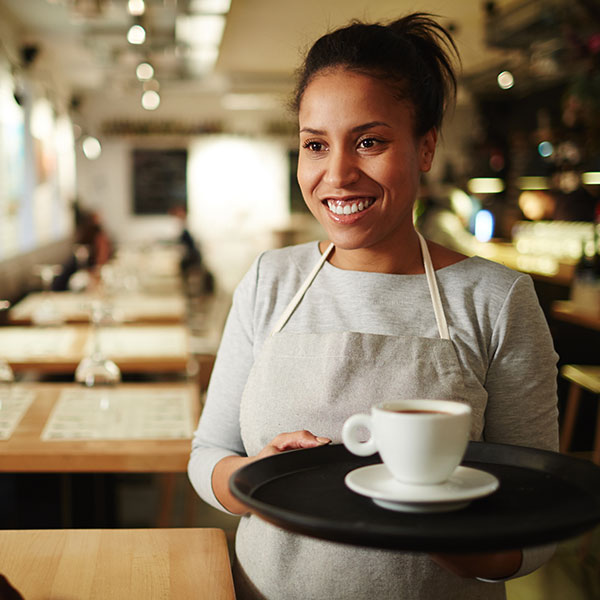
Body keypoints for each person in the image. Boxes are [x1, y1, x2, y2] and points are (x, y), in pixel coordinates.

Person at [188, 13, 559, 599]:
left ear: (426, 146)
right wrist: (255, 481)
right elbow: (208, 455)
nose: (337, 174)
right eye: (316, 144)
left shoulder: (496, 299)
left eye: (370, 141)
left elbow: (542, 511)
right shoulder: (270, 281)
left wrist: (457, 542)